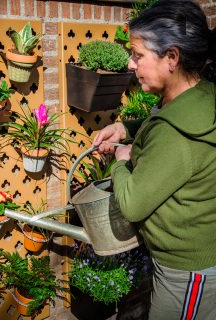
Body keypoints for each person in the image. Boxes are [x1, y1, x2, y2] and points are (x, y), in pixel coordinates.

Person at [93, 1, 216, 319]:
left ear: (172, 57)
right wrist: (125, 128)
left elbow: (133, 204)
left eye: (138, 54)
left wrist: (121, 160)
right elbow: (168, 122)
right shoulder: (201, 95)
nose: (131, 64)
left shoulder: (173, 133)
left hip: (186, 273)